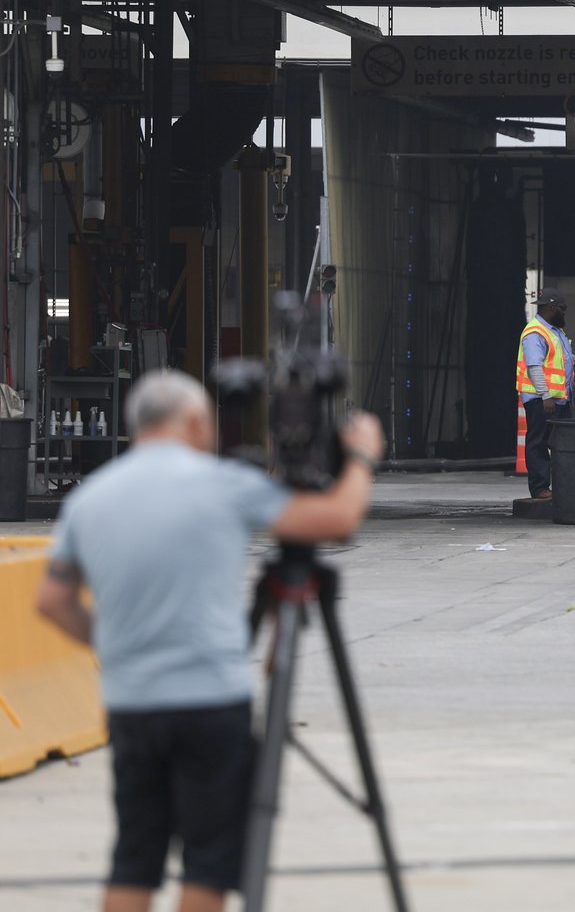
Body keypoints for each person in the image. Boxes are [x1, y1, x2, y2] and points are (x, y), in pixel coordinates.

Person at [33, 370, 385, 912]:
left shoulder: (89, 499)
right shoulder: (223, 484)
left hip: (132, 704)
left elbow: (52, 601)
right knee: (209, 860)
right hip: (208, 704)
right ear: (195, 421)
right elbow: (336, 519)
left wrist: (112, 645)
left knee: (134, 856)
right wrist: (361, 456)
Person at [515, 292, 575, 500]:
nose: (565, 313)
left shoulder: (554, 330)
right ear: (552, 309)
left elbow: (561, 355)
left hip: (559, 399)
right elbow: (534, 367)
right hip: (542, 401)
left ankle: (563, 486)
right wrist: (545, 396)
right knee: (539, 443)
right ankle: (540, 487)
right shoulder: (535, 333)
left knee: (564, 442)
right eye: (563, 309)